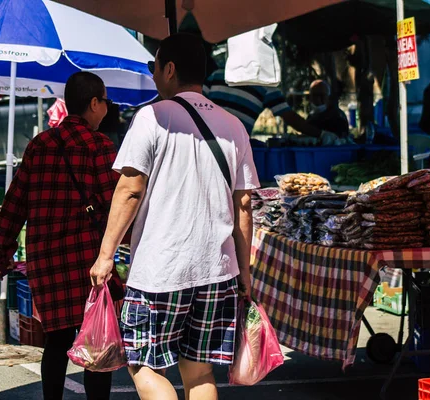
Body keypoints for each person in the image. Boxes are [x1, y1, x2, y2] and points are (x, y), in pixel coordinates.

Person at [90, 33, 260, 400]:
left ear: (169, 69)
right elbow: (243, 206)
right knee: (199, 372)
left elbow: (130, 188)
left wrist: (106, 255)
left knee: (144, 366)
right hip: (218, 271)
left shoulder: (152, 117)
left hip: (160, 271)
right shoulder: (234, 126)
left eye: (154, 67)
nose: (152, 75)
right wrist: (244, 273)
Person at [0, 71, 120, 400]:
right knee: (96, 341)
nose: (107, 106)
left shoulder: (40, 144)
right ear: (94, 103)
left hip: (45, 261)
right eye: (104, 100)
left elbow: (13, 204)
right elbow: (115, 205)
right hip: (88, 260)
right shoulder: (100, 146)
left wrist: (1, 255)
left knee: (57, 339)